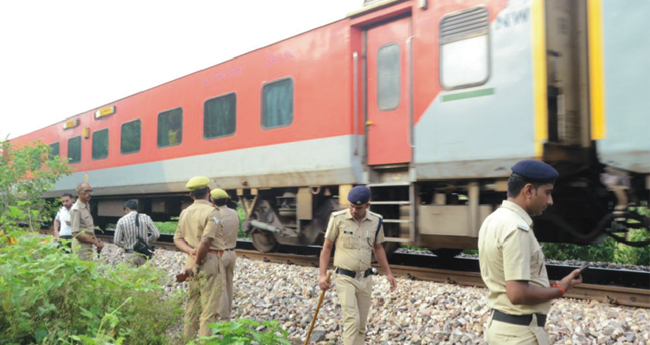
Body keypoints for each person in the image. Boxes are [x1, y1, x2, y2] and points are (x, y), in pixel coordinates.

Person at [478, 159, 583, 345]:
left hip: (502, 330)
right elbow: (517, 293)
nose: (550, 201)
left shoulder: (493, 219)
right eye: (547, 192)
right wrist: (559, 290)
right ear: (528, 190)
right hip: (520, 336)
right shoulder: (517, 228)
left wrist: (554, 285)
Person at [318, 185, 397, 345]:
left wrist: (389, 273)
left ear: (367, 205)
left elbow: (378, 248)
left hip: (365, 279)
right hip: (345, 278)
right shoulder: (338, 218)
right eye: (351, 206)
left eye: (358, 207)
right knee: (352, 321)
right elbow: (327, 247)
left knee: (361, 325)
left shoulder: (376, 220)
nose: (354, 210)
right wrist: (321, 275)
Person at [173, 176, 226, 339]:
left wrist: (190, 251)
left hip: (191, 261)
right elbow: (206, 241)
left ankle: (187, 340)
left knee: (192, 306)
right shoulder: (212, 211)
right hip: (208, 261)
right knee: (209, 309)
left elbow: (177, 239)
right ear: (208, 192)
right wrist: (198, 260)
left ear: (191, 195)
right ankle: (205, 342)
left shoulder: (185, 212)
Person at [210, 188, 239, 321]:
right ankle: (227, 313)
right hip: (232, 252)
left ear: (212, 200)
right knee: (228, 285)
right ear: (226, 199)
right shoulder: (234, 213)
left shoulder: (215, 215)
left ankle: (223, 318)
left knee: (220, 287)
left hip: (220, 254)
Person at [113, 199, 161, 267]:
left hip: (129, 254)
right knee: (143, 276)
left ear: (127, 209)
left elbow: (116, 241)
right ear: (136, 209)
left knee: (130, 276)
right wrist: (146, 241)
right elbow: (156, 234)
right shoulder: (146, 218)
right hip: (143, 253)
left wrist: (127, 244)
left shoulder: (122, 220)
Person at [70, 182, 104, 260]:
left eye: (90, 191)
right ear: (78, 193)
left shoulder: (86, 206)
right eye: (86, 191)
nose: (89, 194)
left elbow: (89, 229)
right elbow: (76, 234)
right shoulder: (76, 209)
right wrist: (95, 242)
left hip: (87, 246)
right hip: (80, 247)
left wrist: (97, 242)